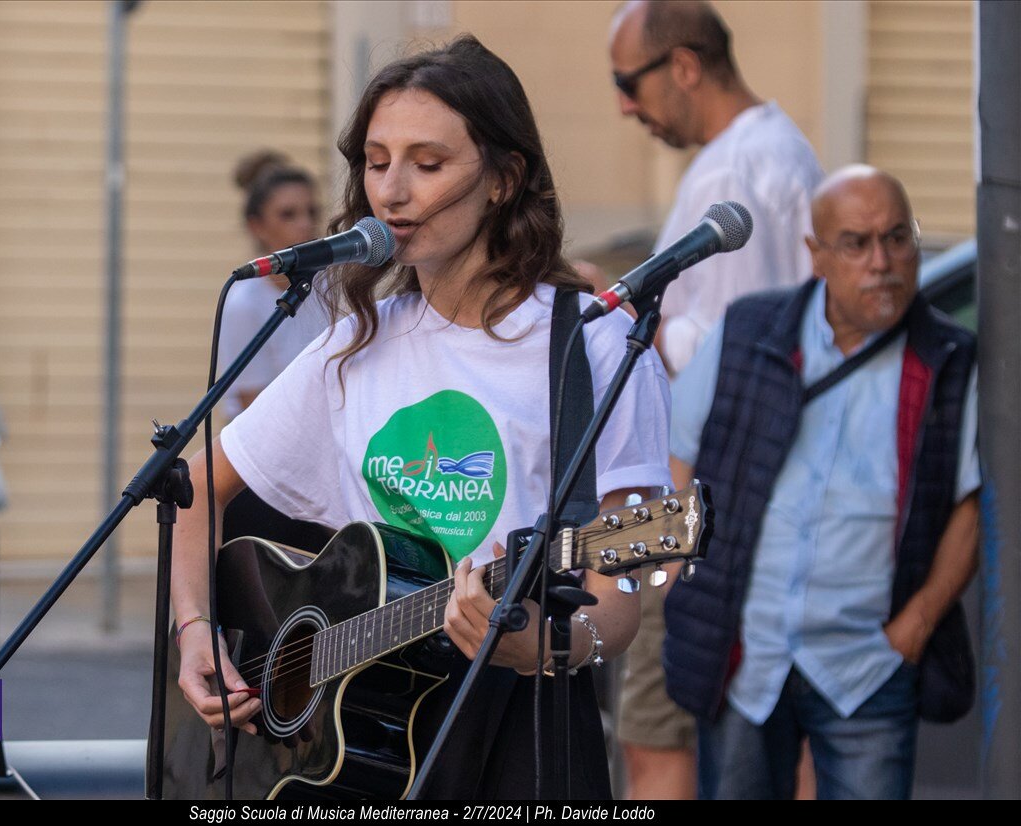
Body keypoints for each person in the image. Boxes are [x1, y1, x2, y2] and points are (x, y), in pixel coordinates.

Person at [171, 35, 672, 798]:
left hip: (519, 729)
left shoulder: (592, 345)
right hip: (351, 740)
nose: (392, 192)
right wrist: (194, 628)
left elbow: (620, 603)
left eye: (427, 164)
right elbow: (191, 491)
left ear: (504, 178)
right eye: (377, 162)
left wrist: (537, 644)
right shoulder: (353, 344)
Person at [663, 165, 979, 799]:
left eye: (898, 238)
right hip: (744, 654)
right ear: (816, 255)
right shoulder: (749, 330)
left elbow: (971, 507)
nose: (882, 261)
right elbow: (681, 454)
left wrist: (914, 628)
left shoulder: (948, 359)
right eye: (857, 243)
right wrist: (683, 577)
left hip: (867, 665)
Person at [608, 0, 823, 798]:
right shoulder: (776, 151)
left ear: (685, 67)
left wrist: (635, 329)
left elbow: (724, 354)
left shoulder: (736, 170)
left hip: (701, 498)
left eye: (629, 83)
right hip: (746, 496)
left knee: (655, 735)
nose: (625, 105)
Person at [218, 151, 332, 554]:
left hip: (325, 472)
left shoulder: (333, 291)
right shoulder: (244, 302)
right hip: (263, 480)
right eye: (288, 214)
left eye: (310, 212)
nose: (304, 224)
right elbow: (253, 406)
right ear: (258, 227)